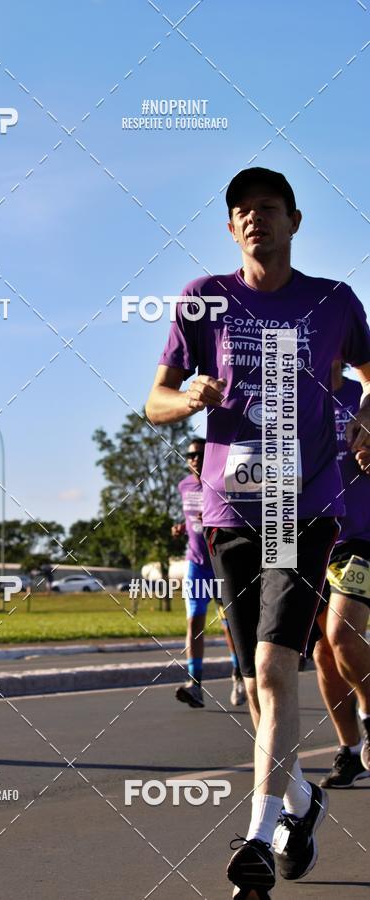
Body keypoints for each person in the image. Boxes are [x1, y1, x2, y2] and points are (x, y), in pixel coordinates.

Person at [145, 166, 370, 898]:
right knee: (255, 686)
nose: (254, 219)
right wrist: (190, 399)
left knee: (274, 673)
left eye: (268, 208)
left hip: (305, 509)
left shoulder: (334, 301)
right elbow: (153, 401)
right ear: (230, 225)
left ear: (294, 221)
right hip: (230, 513)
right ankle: (302, 804)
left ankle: (256, 843)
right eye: (241, 210)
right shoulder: (203, 299)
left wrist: (367, 416)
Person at [313, 361, 370, 787]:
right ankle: (350, 750)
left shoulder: (364, 398)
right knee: (323, 653)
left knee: (343, 635)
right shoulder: (294, 400)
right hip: (309, 539)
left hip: (359, 536)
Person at [173, 436, 246, 708]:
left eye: (200, 455)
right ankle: (195, 684)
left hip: (221, 562)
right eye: (191, 455)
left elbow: (236, 516)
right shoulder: (184, 486)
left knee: (230, 624)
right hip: (196, 564)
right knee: (194, 622)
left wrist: (215, 520)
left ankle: (239, 674)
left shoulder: (221, 482)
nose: (195, 460)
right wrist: (182, 528)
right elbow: (191, 518)